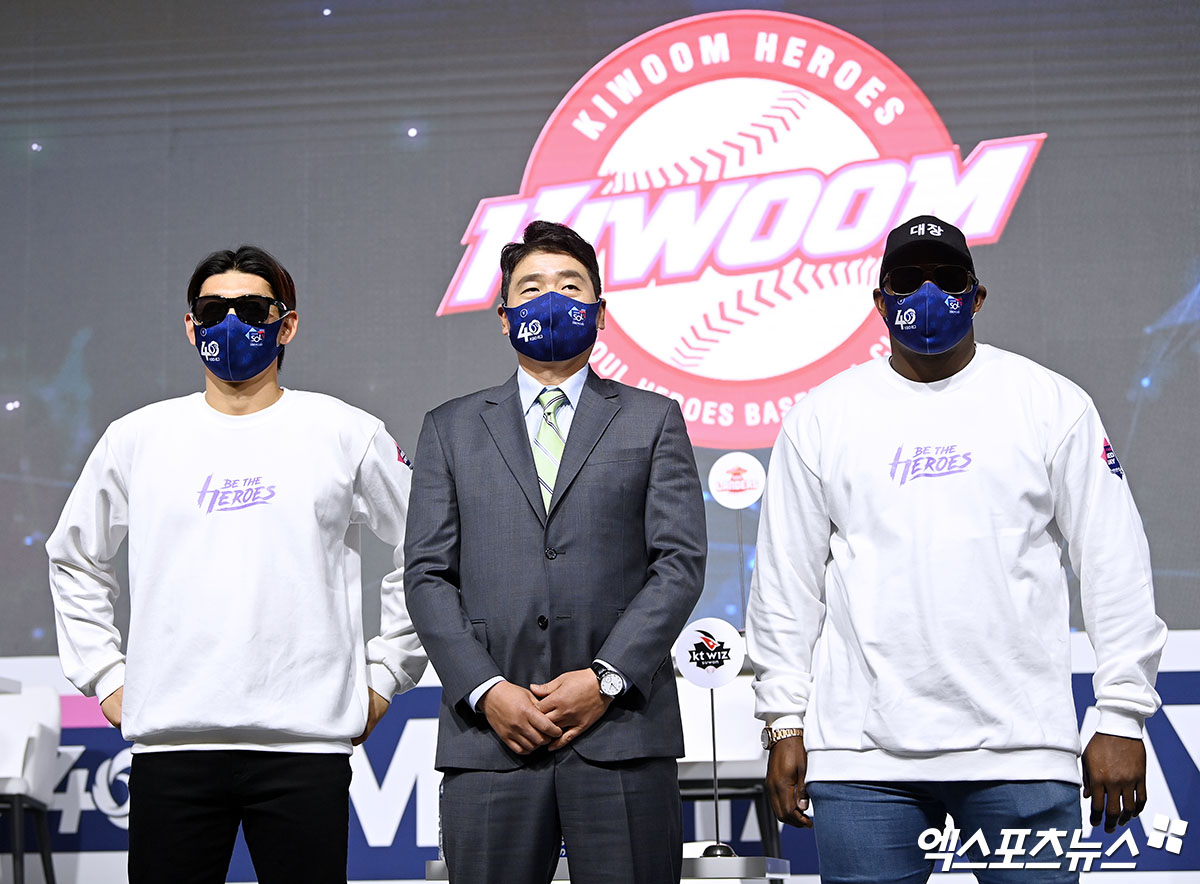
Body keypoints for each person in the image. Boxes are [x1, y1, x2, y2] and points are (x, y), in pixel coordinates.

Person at [746, 215, 1167, 883]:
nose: (927, 294)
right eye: (906, 281)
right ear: (879, 301)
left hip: (1022, 753)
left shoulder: (1050, 404)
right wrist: (782, 722)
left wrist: (1121, 714)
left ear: (977, 296)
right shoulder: (822, 417)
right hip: (863, 761)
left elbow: (1113, 560)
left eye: (947, 278)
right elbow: (785, 583)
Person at [46, 245, 427, 884]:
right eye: (211, 310)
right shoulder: (136, 438)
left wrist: (389, 672)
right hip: (173, 747)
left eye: (251, 309)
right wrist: (106, 677)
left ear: (287, 323)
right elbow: (73, 557)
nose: (230, 324)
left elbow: (427, 548)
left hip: (305, 747)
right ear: (189, 325)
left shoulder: (344, 432)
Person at [404, 220, 707, 884]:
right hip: (490, 739)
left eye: (570, 287)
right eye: (531, 288)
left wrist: (605, 679)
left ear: (600, 310)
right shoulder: (450, 428)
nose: (551, 299)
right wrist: (487, 691)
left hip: (621, 733)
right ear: (503, 315)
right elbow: (426, 575)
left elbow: (679, 563)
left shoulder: (653, 419)